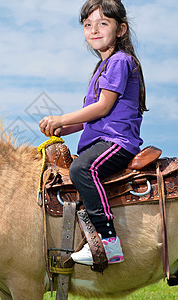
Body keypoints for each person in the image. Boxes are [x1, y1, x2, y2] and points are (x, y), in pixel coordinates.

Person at [39, 0, 147, 265]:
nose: (94, 29)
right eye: (88, 24)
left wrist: (62, 116)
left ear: (121, 29)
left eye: (103, 23)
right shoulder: (102, 67)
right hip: (101, 140)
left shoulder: (120, 61)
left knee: (82, 170)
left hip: (117, 141)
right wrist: (63, 127)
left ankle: (108, 241)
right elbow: (90, 116)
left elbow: (103, 107)